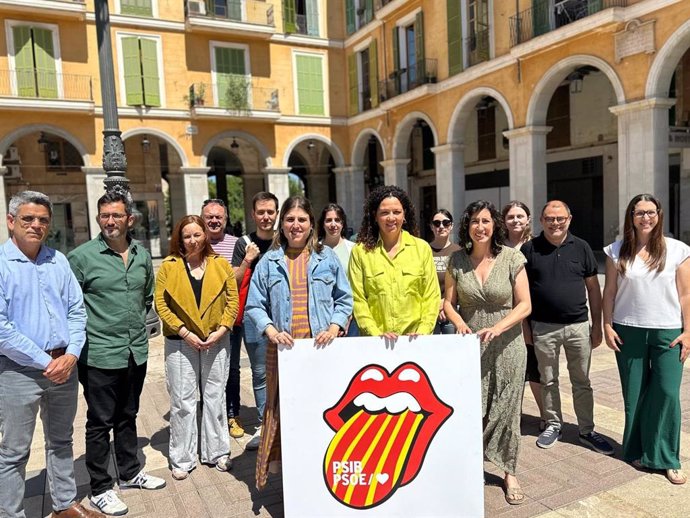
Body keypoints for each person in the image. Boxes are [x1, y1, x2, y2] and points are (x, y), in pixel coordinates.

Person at [0, 191, 103, 518]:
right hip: (19, 372)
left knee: (61, 441)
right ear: (11, 221)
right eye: (28, 219)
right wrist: (48, 362)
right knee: (14, 452)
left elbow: (76, 311)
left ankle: (64, 505)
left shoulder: (58, 261)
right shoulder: (2, 265)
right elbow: (2, 329)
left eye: (43, 220)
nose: (36, 225)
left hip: (65, 368)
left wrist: (71, 354)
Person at [68, 190, 165, 515]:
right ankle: (99, 488)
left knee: (128, 416)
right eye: (105, 215)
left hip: (134, 351)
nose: (110, 221)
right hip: (98, 354)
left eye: (116, 215)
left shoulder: (140, 255)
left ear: (130, 219)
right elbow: (69, 305)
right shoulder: (81, 258)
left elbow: (147, 297)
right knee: (99, 422)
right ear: (99, 218)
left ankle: (129, 472)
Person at [246, 195, 352, 490]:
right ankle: (295, 480)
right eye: (290, 220)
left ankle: (323, 472)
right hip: (283, 354)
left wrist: (334, 326)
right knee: (284, 414)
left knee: (322, 409)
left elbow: (344, 299)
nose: (296, 225)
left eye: (302, 220)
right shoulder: (269, 261)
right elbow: (254, 305)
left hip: (320, 352)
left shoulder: (326, 257)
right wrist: (270, 330)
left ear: (311, 224)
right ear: (283, 224)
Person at [444, 200, 531, 505]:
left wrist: (499, 327)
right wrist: (458, 323)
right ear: (467, 226)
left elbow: (525, 304)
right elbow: (448, 303)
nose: (480, 227)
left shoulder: (512, 257)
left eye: (485, 221)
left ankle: (509, 472)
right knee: (473, 407)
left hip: (508, 344)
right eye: (474, 222)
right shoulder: (456, 261)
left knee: (507, 409)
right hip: (470, 345)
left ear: (495, 225)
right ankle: (471, 465)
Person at [603, 194, 689, 485]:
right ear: (631, 217)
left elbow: (686, 294)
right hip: (628, 330)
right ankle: (638, 449)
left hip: (668, 331)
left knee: (666, 393)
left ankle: (667, 457)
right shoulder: (617, 250)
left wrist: (688, 331)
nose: (645, 218)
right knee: (635, 395)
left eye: (650, 212)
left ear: (659, 214)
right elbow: (610, 293)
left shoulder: (677, 250)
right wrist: (606, 324)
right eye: (639, 213)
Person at [521, 201, 614, 455]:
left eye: (560, 218)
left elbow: (594, 289)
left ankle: (586, 430)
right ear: (541, 220)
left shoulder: (581, 247)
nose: (555, 223)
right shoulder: (530, 249)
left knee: (582, 381)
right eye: (550, 218)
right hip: (543, 327)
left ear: (569, 219)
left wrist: (597, 326)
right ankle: (553, 424)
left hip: (578, 327)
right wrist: (526, 328)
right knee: (548, 380)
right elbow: (522, 293)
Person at [155, 215, 239, 481]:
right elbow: (161, 303)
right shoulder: (169, 267)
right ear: (179, 239)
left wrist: (222, 330)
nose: (192, 240)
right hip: (181, 342)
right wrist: (184, 331)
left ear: (205, 235)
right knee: (183, 401)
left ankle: (218, 452)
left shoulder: (221, 264)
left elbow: (232, 301)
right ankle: (182, 457)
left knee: (215, 396)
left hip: (217, 339)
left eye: (196, 234)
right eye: (186, 236)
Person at [348, 186, 439, 338]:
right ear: (375, 216)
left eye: (397, 212)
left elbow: (431, 296)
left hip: (415, 342)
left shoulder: (422, 249)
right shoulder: (360, 252)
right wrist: (376, 334)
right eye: (384, 213)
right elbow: (357, 299)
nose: (391, 218)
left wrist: (422, 332)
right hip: (375, 344)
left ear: (404, 215)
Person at [231, 192, 279, 451]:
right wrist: (248, 258)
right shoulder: (244, 242)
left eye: (270, 212)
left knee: (285, 370)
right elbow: (234, 282)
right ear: (253, 214)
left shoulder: (284, 239)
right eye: (261, 212)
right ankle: (264, 426)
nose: (266, 216)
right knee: (260, 373)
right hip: (254, 315)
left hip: (282, 313)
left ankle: (285, 422)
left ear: (276, 213)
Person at [201, 198, 243, 440]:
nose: (215, 221)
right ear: (203, 219)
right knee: (203, 372)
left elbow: (236, 281)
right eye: (210, 217)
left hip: (229, 319)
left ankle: (231, 414)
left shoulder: (236, 244)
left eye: (219, 217)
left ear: (226, 220)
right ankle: (208, 415)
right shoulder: (195, 242)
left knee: (232, 369)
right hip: (201, 320)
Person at [502, 201, 543, 424]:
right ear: (504, 221)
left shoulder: (537, 245)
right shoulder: (497, 246)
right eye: (511, 217)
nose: (516, 221)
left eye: (520, 216)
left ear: (528, 219)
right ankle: (509, 416)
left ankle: (545, 415)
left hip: (533, 312)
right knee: (510, 368)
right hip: (506, 313)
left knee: (536, 367)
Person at [428, 209, 461, 334]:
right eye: (436, 223)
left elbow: (462, 283)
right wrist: (436, 305)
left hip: (452, 310)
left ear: (451, 226)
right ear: (431, 227)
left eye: (445, 223)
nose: (441, 227)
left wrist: (444, 303)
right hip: (429, 311)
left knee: (450, 351)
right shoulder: (424, 250)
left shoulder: (458, 251)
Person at [318, 203, 355, 269]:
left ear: (342, 224)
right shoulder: (315, 249)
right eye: (329, 220)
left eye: (337, 220)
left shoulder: (353, 249)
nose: (333, 224)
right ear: (323, 224)